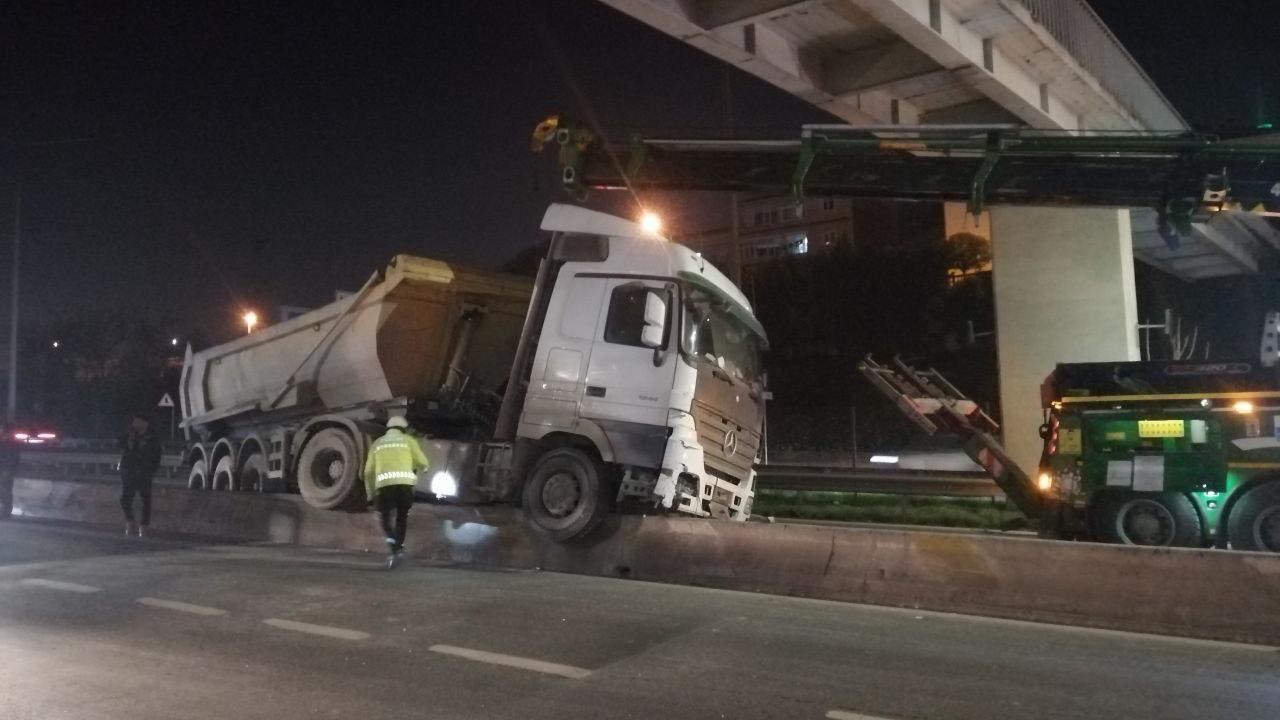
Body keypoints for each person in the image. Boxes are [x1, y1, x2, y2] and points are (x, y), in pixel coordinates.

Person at [362, 416, 428, 568]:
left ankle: (394, 549)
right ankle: (399, 548)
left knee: (384, 519)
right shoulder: (409, 441)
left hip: (384, 487)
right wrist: (420, 469)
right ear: (403, 428)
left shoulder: (377, 444)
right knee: (401, 518)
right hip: (405, 488)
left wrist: (370, 494)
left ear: (388, 428)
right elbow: (423, 463)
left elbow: (367, 472)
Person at [119, 413, 161, 537]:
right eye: (134, 421)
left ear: (145, 423)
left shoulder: (152, 437)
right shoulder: (130, 435)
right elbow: (120, 445)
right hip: (129, 471)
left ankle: (143, 526)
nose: (134, 424)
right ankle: (130, 521)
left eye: (137, 421)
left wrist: (152, 470)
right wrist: (127, 435)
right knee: (125, 499)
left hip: (144, 472)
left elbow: (157, 455)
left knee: (145, 500)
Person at [0, 423, 19, 519]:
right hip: (4, 469)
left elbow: (13, 457)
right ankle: (5, 510)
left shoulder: (10, 443)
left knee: (5, 490)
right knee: (4, 490)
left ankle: (6, 511)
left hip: (6, 470)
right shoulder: (4, 442)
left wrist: (8, 470)